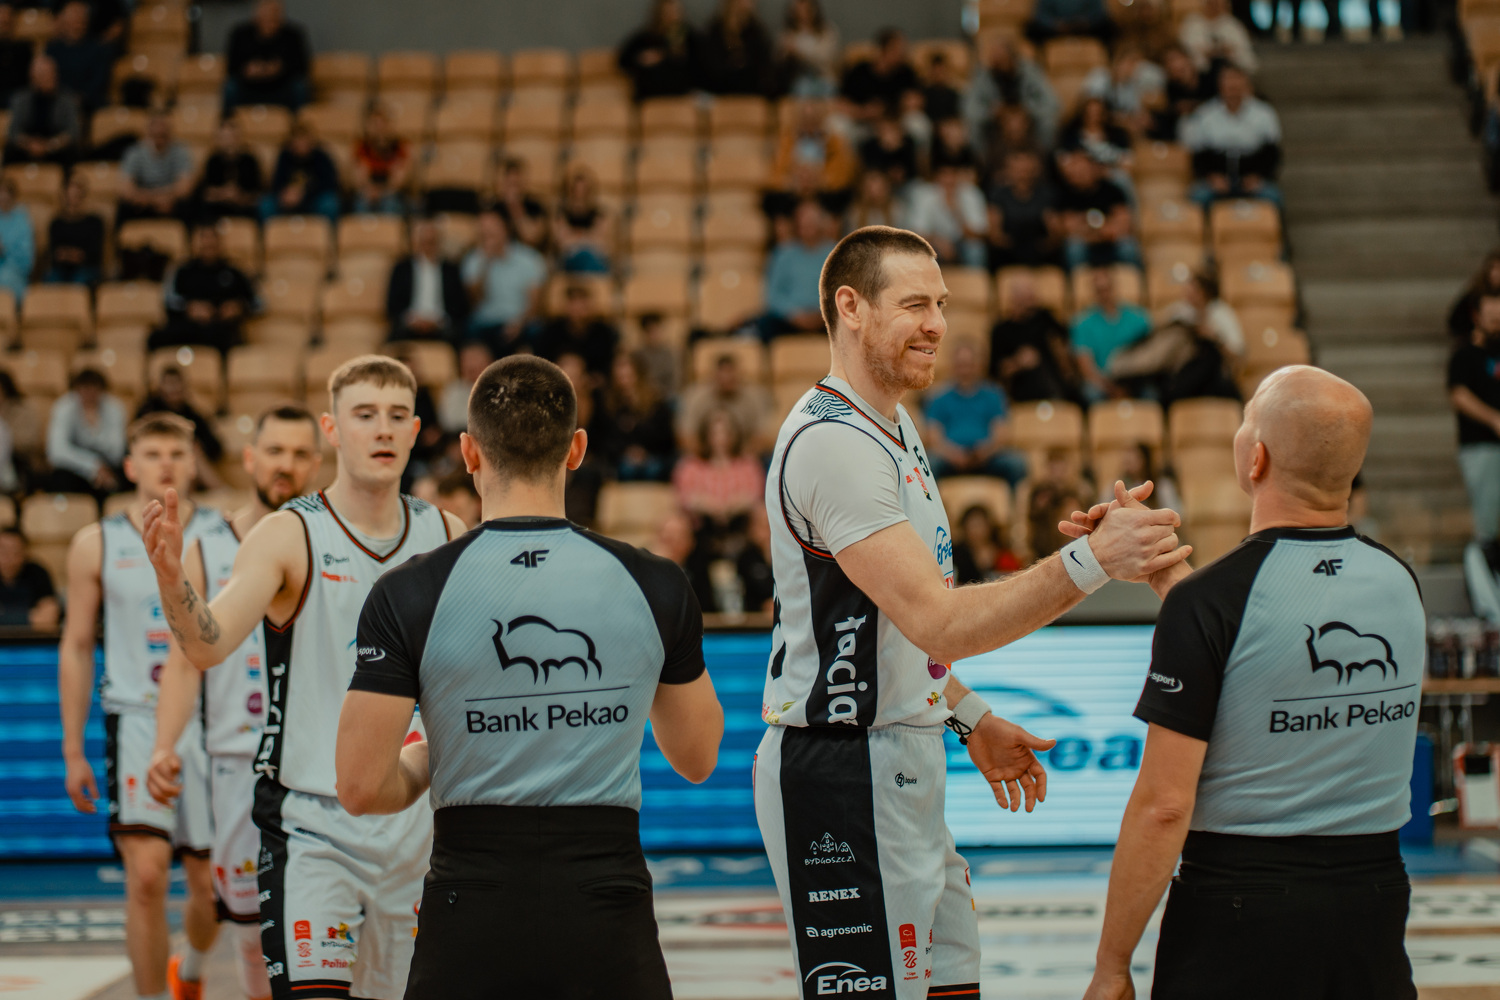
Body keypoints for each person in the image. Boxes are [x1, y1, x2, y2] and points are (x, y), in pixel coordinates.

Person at [754, 225, 1188, 999]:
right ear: (850, 307)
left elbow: (890, 632)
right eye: (914, 305)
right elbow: (939, 622)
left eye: (942, 304)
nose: (938, 325)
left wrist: (969, 717)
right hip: (842, 771)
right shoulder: (834, 443)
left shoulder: (892, 422)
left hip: (895, 756)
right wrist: (1092, 562)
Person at [334, 354, 723, 998]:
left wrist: (435, 754)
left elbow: (358, 786)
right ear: (577, 450)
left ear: (468, 453)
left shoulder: (410, 591)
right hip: (606, 898)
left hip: (471, 898)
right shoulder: (654, 581)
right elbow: (697, 757)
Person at [1079, 366, 1421, 1000]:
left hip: (1239, 907)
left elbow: (1164, 806)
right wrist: (1173, 580)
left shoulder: (1213, 603)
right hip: (1375, 900)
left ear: (1256, 457)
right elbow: (1275, 638)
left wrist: (1112, 965)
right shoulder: (1400, 582)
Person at [140, 357, 468, 1000]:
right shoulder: (287, 533)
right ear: (332, 429)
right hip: (313, 826)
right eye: (364, 414)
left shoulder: (447, 534)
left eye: (397, 415)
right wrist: (173, 580)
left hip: (414, 827)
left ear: (415, 431)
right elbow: (207, 645)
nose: (382, 429)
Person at [145, 405, 321, 1000]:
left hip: (315, 760)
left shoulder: (328, 538)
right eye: (274, 451)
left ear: (317, 464)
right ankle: (196, 971)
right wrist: (163, 746)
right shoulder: (207, 547)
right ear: (250, 458)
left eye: (299, 453)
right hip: (236, 761)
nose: (285, 465)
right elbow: (183, 662)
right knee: (249, 924)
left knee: (323, 922)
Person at [58, 413, 225, 1000]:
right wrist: (72, 749)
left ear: (194, 462)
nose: (166, 464)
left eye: (176, 453)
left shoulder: (227, 534)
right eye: (152, 453)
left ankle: (192, 971)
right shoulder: (95, 542)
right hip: (133, 716)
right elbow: (77, 646)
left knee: (213, 886)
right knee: (147, 877)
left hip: (211, 721)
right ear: (130, 466)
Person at [923, 341, 1029, 485]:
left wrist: (984, 452)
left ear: (978, 365)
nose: (965, 370)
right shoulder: (939, 398)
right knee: (929, 464)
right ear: (953, 366)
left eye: (969, 365)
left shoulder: (993, 395)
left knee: (1016, 464)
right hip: (949, 459)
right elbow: (933, 438)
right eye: (961, 365)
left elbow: (1001, 434)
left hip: (987, 458)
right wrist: (954, 455)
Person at [1181, 65, 1282, 208]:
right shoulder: (1205, 114)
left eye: (1236, 82)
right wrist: (1212, 177)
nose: (1232, 88)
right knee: (1199, 197)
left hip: (1252, 176)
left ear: (1246, 85)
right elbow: (1199, 153)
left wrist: (1259, 176)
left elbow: (1272, 152)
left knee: (1272, 197)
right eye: (1228, 83)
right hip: (1217, 177)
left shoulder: (1264, 114)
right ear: (1220, 86)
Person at [1450, 291, 1500, 566]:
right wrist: (1493, 419)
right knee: (1487, 521)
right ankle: (1485, 577)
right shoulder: (1464, 355)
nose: (1496, 322)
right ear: (1476, 316)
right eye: (1491, 317)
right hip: (1480, 445)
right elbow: (1459, 395)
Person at [152, 226, 256, 354]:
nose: (208, 243)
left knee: (227, 338)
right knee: (156, 338)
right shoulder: (183, 271)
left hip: (221, 329)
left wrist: (239, 307)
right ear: (196, 243)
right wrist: (189, 308)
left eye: (212, 239)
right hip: (188, 327)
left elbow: (257, 302)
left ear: (220, 242)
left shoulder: (234, 272)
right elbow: (168, 301)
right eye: (204, 238)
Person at [462, 209, 548, 356]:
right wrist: (485, 264)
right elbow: (474, 301)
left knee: (537, 332)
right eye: (483, 228)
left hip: (520, 322)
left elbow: (534, 305)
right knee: (469, 330)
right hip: (485, 323)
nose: (487, 232)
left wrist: (519, 324)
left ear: (506, 228)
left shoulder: (530, 259)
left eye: (492, 227)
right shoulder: (473, 260)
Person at [673, 408, 765, 537]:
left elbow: (754, 495)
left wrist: (730, 507)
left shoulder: (748, 464)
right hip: (700, 529)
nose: (720, 438)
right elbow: (684, 497)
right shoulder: (691, 465)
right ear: (706, 435)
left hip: (741, 527)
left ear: (734, 434)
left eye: (725, 432)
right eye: (715, 433)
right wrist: (710, 506)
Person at [989, 273, 1079, 403]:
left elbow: (1068, 339)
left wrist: (1062, 354)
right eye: (1027, 297)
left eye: (1032, 296)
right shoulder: (1001, 330)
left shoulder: (1044, 317)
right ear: (1014, 299)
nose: (1032, 301)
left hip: (1055, 380)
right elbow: (996, 371)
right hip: (1024, 387)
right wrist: (1018, 363)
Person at [963, 35, 1060, 154]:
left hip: (1028, 118)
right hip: (995, 121)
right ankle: (982, 162)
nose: (997, 61)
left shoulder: (1031, 72)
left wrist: (1027, 110)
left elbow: (1052, 104)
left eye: (1001, 57)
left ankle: (1044, 158)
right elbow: (969, 108)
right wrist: (991, 112)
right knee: (973, 125)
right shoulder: (983, 76)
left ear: (1012, 57)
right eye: (994, 57)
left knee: (1048, 122)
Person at [758, 199, 836, 341]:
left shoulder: (836, 253)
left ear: (821, 223)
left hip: (825, 318)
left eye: (812, 221)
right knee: (764, 325)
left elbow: (841, 291)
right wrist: (794, 314)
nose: (807, 225)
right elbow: (773, 296)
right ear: (796, 223)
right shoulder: (783, 254)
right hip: (790, 319)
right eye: (803, 221)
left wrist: (821, 314)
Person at [1071, 268, 1153, 401]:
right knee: (1091, 394)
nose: (1105, 294)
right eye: (1099, 290)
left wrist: (1128, 384)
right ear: (1093, 293)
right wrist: (1110, 388)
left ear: (1115, 288)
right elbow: (1086, 365)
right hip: (1103, 380)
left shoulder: (1138, 318)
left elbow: (1149, 356)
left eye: (1107, 289)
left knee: (1151, 394)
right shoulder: (1082, 323)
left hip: (1134, 377)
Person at [386, 218, 470, 344]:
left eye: (432, 242)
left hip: (442, 327)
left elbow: (460, 306)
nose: (428, 247)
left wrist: (438, 321)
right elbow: (392, 306)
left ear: (439, 242)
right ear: (416, 243)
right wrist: (412, 320)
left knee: (459, 338)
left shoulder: (451, 270)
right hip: (409, 325)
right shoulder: (401, 269)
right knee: (394, 340)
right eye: (424, 242)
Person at [46, 367, 126, 497]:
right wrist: (92, 466)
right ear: (76, 390)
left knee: (122, 477)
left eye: (94, 389)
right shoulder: (63, 407)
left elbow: (117, 451)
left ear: (102, 390)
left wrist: (101, 467)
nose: (89, 395)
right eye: (84, 389)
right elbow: (56, 452)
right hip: (76, 465)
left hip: (107, 464)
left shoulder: (115, 408)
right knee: (60, 477)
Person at [1055, 149, 1140, 270]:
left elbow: (1124, 224)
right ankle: (1074, 281)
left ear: (1094, 168)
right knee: (1073, 248)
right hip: (1086, 245)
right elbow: (1069, 228)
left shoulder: (1112, 191)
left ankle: (1139, 279)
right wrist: (1099, 232)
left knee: (1128, 247)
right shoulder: (1066, 196)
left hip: (1112, 243)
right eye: (1075, 169)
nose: (1078, 173)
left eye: (1083, 169)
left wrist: (1096, 231)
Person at [137, 366, 226, 480]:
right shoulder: (149, 410)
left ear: (184, 386)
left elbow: (215, 447)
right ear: (160, 386)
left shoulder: (192, 414)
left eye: (176, 383)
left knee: (191, 451)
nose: (173, 388)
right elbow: (135, 439)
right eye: (169, 383)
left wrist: (196, 444)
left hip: (187, 466)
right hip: (154, 461)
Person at [599, 351, 676, 481]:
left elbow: (666, 439)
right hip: (621, 459)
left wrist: (644, 452)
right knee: (626, 469)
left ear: (639, 375)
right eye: (620, 377)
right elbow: (606, 439)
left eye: (629, 376)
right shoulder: (610, 404)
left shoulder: (656, 403)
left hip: (652, 456)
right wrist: (626, 452)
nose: (625, 382)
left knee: (653, 468)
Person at [676, 352, 772, 455]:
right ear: (713, 375)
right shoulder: (696, 397)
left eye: (730, 372)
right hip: (705, 457)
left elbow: (764, 436)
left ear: (739, 374)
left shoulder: (754, 397)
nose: (726, 378)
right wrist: (710, 458)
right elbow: (686, 436)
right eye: (723, 372)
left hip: (745, 456)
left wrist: (739, 458)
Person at [223, 0, 310, 113]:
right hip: (249, 88)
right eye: (265, 15)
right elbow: (231, 67)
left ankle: (300, 122)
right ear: (256, 16)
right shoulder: (240, 35)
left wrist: (278, 69)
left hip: (281, 88)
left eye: (273, 15)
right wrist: (249, 70)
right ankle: (228, 122)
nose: (269, 20)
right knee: (230, 87)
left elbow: (302, 67)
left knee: (299, 87)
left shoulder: (293, 36)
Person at [117, 112, 195, 227]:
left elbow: (184, 188)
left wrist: (163, 198)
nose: (159, 138)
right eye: (155, 135)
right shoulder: (134, 152)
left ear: (170, 132)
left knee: (187, 205)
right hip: (143, 203)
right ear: (148, 132)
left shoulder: (181, 152)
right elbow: (126, 189)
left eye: (163, 135)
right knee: (124, 206)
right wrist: (154, 199)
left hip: (169, 203)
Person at [906, 163, 989, 268]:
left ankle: (975, 278)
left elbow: (979, 234)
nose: (949, 180)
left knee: (975, 249)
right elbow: (918, 232)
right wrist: (939, 242)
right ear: (936, 177)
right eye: (944, 174)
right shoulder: (925, 195)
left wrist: (956, 211)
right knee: (922, 250)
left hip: (963, 242)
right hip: (935, 242)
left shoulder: (971, 193)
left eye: (953, 174)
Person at [988, 150, 1060, 268]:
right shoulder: (998, 195)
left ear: (1034, 170)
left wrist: (1040, 246)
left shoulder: (1046, 195)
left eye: (1026, 170)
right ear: (1008, 171)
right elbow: (994, 234)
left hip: (1041, 254)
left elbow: (1055, 234)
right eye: (1018, 170)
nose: (1022, 174)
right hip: (1006, 254)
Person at [5, 55, 82, 166]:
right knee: (10, 151)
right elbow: (13, 131)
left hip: (56, 147)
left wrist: (49, 145)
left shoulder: (67, 99)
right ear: (33, 77)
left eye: (53, 73)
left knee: (72, 153)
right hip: (27, 146)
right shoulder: (20, 99)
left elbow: (73, 132)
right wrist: (29, 144)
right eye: (44, 74)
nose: (51, 77)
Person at [618, 0, 699, 102]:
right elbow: (624, 60)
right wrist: (641, 59)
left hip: (681, 95)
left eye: (675, 12)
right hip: (651, 96)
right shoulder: (646, 38)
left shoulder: (690, 37)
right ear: (659, 14)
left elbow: (701, 65)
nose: (672, 17)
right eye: (667, 13)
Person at [839, 27, 919, 129]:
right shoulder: (860, 71)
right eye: (896, 49)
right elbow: (841, 102)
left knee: (917, 122)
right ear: (882, 49)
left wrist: (901, 107)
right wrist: (863, 112)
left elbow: (916, 99)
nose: (902, 53)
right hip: (861, 122)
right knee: (838, 122)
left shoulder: (906, 72)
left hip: (895, 123)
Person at [534, 282, 618, 377]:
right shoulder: (551, 332)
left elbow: (607, 367)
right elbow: (542, 363)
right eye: (573, 302)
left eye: (582, 302)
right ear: (566, 306)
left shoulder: (603, 333)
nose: (577, 308)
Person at [261, 122, 341, 223]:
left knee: (329, 203)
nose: (301, 144)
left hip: (313, 200)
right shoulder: (284, 157)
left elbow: (329, 184)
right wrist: (285, 194)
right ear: (291, 142)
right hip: (287, 201)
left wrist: (303, 194)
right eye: (297, 140)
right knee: (266, 204)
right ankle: (270, 233)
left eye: (304, 140)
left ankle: (327, 233)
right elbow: (276, 183)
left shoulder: (321, 157)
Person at [193, 120, 263, 223]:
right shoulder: (213, 161)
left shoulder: (249, 161)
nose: (228, 141)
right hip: (217, 208)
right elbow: (206, 193)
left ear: (239, 137)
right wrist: (223, 194)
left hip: (244, 209)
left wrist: (239, 196)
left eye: (231, 137)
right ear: (218, 139)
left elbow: (258, 194)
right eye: (224, 137)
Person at [697, 0, 773, 96]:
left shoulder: (756, 33)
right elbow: (710, 72)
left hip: (751, 97)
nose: (750, 4)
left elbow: (764, 72)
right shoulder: (714, 32)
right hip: (720, 96)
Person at [1026, 448, 1090, 558]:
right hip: (1044, 541)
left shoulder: (1077, 491)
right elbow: (1032, 517)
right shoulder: (1040, 491)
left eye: (1060, 469)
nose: (1057, 474)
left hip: (1071, 541)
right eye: (1053, 469)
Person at [46, 1, 109, 111]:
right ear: (63, 20)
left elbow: (98, 83)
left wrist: (81, 98)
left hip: (87, 104)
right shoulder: (52, 49)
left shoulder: (98, 50)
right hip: (57, 101)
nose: (78, 20)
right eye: (74, 15)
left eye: (81, 16)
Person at [45, 173, 104, 285]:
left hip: (86, 270)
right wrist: (74, 255)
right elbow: (54, 253)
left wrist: (69, 255)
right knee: (52, 280)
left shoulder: (95, 222)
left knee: (79, 279)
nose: (73, 199)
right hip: (61, 270)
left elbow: (94, 255)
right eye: (70, 195)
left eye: (77, 194)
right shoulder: (56, 223)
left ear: (83, 195)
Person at [352, 105, 410, 216]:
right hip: (368, 192)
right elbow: (359, 178)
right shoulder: (362, 148)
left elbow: (398, 180)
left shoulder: (399, 148)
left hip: (391, 193)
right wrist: (370, 190)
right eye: (375, 124)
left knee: (390, 203)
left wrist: (381, 192)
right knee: (362, 203)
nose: (379, 128)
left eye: (383, 123)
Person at [552, 166, 611, 274]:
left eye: (584, 189)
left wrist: (576, 236)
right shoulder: (562, 214)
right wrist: (587, 237)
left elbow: (602, 245)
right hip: (570, 260)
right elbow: (563, 244)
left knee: (588, 260)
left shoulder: (598, 214)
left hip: (593, 259)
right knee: (584, 260)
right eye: (576, 189)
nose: (580, 193)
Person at [0, 527, 59, 628]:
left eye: (15, 552)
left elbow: (49, 617)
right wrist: (31, 616)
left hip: (31, 637)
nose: (9, 558)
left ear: (25, 553)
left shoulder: (37, 573)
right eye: (3, 551)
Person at [1179, 0, 1258, 74]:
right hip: (1199, 74)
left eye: (1217, 3)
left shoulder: (1233, 26)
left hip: (1229, 72)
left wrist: (1228, 52)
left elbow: (1247, 57)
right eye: (1211, 3)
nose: (1214, 6)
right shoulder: (1192, 24)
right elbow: (1185, 52)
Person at [778, 0, 839, 97]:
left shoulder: (826, 32)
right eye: (799, 9)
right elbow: (779, 59)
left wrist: (800, 52)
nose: (803, 13)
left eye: (806, 9)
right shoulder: (788, 34)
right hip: (799, 78)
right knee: (801, 88)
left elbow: (826, 58)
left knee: (829, 90)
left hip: (824, 77)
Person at [486, 158, 548, 251]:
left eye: (516, 184)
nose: (513, 189)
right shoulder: (493, 207)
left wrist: (515, 207)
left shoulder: (535, 206)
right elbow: (487, 237)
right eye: (509, 183)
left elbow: (532, 238)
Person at [951, 504, 1021, 584]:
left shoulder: (1003, 554)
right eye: (972, 525)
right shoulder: (957, 554)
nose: (976, 530)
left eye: (979, 524)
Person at [438, 340, 493, 434]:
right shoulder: (453, 389)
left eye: (476, 359)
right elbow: (449, 421)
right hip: (459, 436)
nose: (472, 364)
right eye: (468, 360)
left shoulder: (500, 388)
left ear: (489, 362)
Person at [0, 178, 33, 303]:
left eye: (6, 192)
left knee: (5, 279)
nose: (3, 196)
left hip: (14, 273)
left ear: (13, 195)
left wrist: (4, 250)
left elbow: (27, 261)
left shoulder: (22, 220)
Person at [1026, 0, 1116, 43]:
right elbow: (1040, 15)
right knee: (1032, 30)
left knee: (1108, 28)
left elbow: (1100, 13)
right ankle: (1039, 63)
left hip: (1085, 28)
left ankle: (1108, 63)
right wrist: (1054, 24)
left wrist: (1088, 22)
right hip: (1056, 28)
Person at [0, 5, 32, 112]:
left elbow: (27, 77)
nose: (4, 23)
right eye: (2, 22)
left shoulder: (23, 48)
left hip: (17, 95)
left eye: (7, 22)